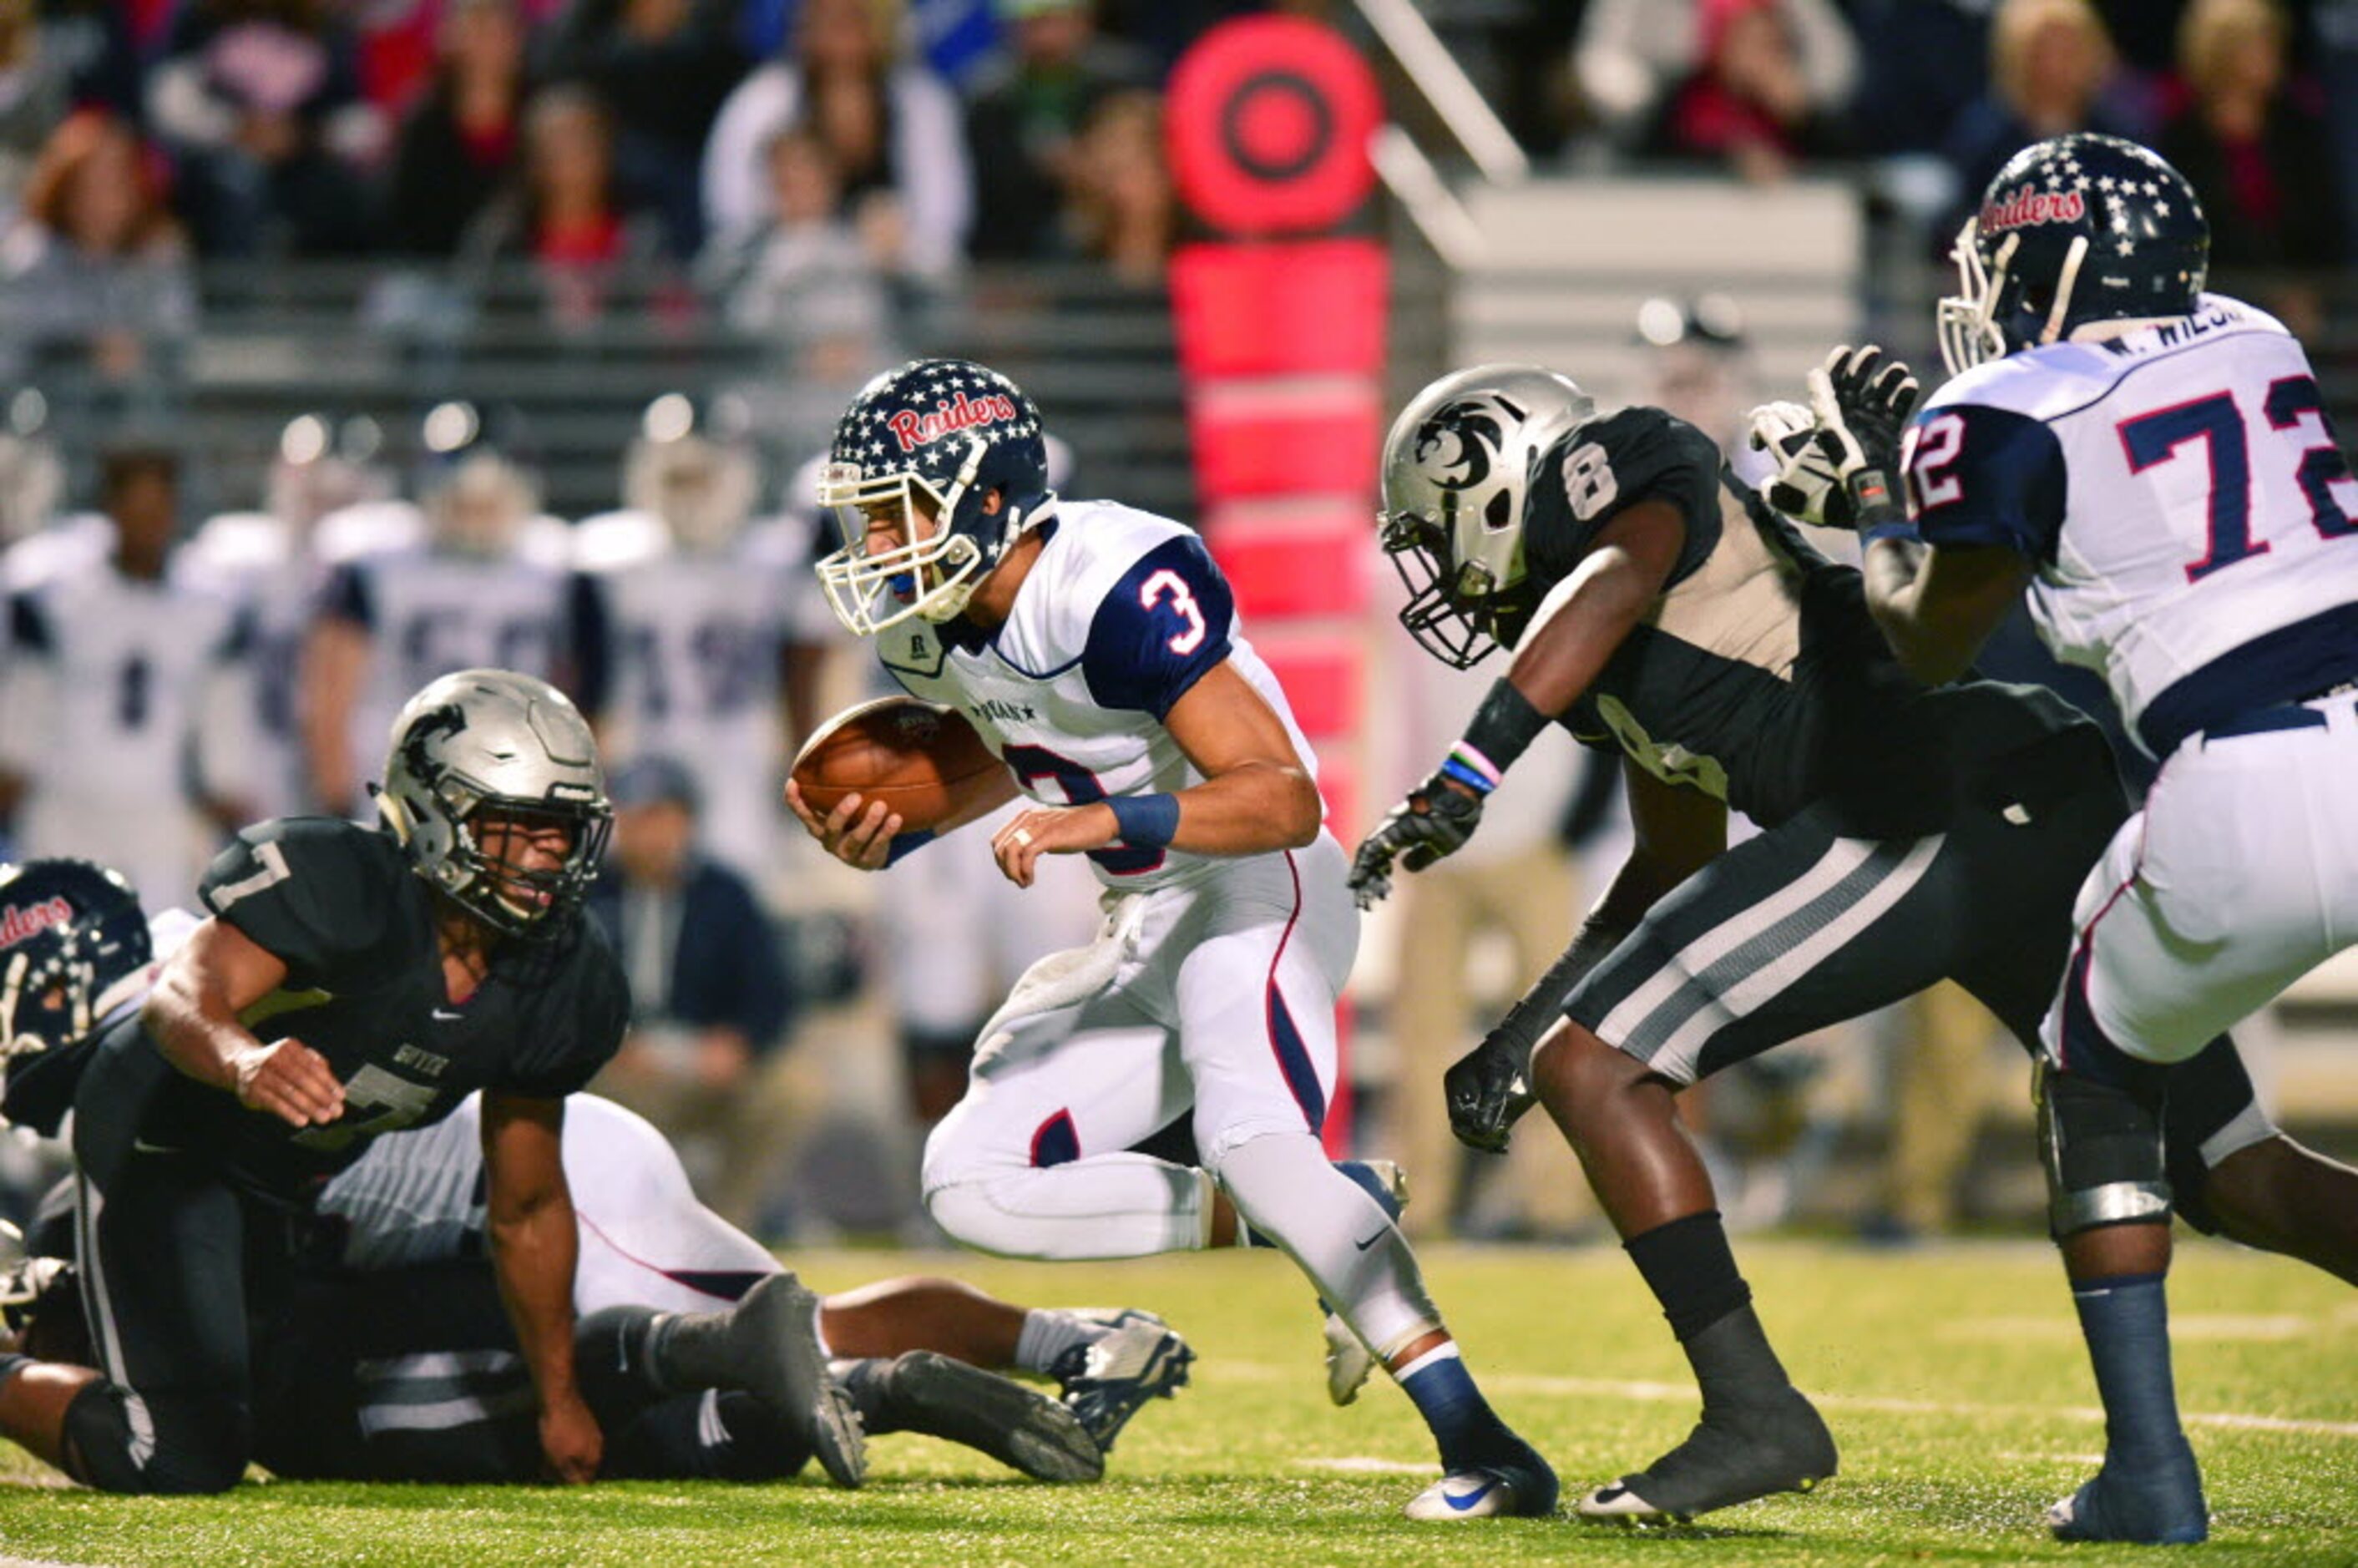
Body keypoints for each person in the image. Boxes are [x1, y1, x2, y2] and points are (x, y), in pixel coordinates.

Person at [1350, 352, 2358, 1531]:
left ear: (1495, 478)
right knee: (2233, 1172)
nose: (1441, 574)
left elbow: (1615, 578)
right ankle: (1781, 1413)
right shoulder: (1597, 657)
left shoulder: (1629, 472)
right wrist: (1518, 1035)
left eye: (1436, 527)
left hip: (1924, 797)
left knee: (1601, 1066)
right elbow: (1671, 864)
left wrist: (1475, 765)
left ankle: (1754, 1413)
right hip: (2014, 788)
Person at [786, 357, 1556, 1521]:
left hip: (1259, 885)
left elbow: (1282, 796)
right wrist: (899, 824)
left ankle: (1489, 1445)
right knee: (967, 1179)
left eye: (895, 507)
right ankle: (1316, 1203)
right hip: (1146, 915)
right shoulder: (935, 632)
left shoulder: (1111, 579)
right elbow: (1024, 735)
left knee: (1249, 1129)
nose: (875, 537)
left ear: (983, 493)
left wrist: (1096, 819)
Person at [1816, 131, 2358, 1545]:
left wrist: (1886, 497)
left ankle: (2145, 1474)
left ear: (2045, 262)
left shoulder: (1991, 408)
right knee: (2220, 1145)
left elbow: (1929, 638)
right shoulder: (2249, 336)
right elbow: (2121, 450)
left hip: (2248, 778)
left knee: (2093, 1075)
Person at [0, 667, 857, 1494]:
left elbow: (525, 1204)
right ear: (431, 812)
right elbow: (182, 997)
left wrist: (560, 1399)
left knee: (271, 1408)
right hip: (169, 1139)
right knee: (178, 1456)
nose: (538, 856)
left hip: (288, 1187)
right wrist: (245, 1060)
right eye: (509, 826)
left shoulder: (562, 973)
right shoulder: (340, 885)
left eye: (557, 828)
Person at [0, 445, 247, 910]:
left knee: (160, 952)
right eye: (134, 507)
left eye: (157, 507)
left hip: (163, 811)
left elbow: (222, 721)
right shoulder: (57, 591)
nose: (146, 522)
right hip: (65, 804)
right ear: (110, 509)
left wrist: (226, 794)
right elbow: (25, 706)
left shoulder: (210, 602)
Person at [584, 755, 801, 1228]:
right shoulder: (588, 894)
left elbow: (771, 992)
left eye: (666, 816)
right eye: (641, 817)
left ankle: (730, 1222)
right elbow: (562, 990)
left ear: (688, 821)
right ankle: (613, 1219)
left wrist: (739, 1043)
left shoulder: (725, 894)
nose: (654, 832)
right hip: (619, 1064)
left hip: (705, 1056)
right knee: (570, 1091)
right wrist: (610, 1042)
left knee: (792, 1088)